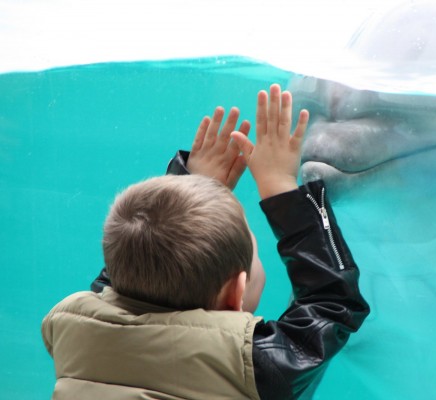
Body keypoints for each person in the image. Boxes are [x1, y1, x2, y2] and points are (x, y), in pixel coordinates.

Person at [41, 84, 370, 399]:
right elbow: (333, 303)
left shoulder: (71, 328)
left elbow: (122, 273)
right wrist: (281, 189)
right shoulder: (251, 368)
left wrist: (190, 188)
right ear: (234, 293)